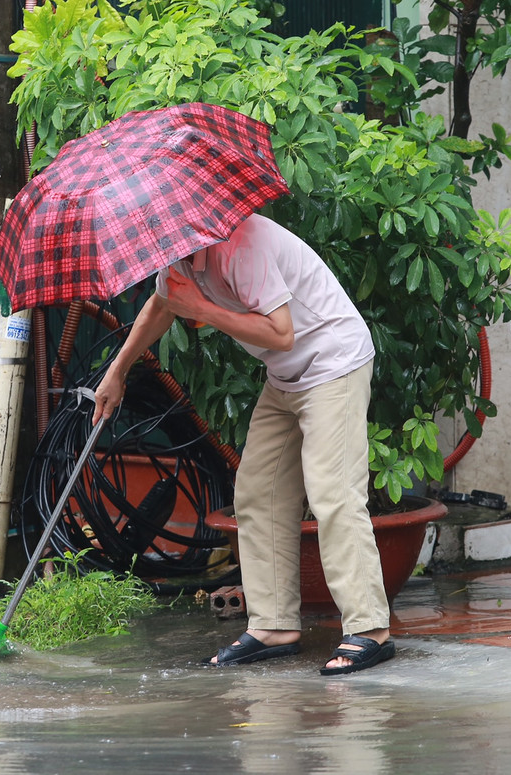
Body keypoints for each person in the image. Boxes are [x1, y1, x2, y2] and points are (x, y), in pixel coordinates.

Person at [93, 212, 396, 675]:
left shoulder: (240, 244)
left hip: (333, 363)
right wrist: (116, 373)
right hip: (287, 376)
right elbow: (160, 306)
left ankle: (370, 629)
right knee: (258, 493)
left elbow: (281, 332)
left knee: (334, 494)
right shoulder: (180, 254)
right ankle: (274, 626)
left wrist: (204, 309)